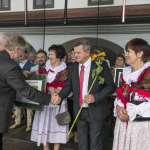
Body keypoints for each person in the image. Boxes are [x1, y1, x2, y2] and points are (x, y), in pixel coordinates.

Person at [51, 39, 116, 150]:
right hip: (79, 111)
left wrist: (95, 97)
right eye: (74, 53)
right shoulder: (72, 67)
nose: (75, 55)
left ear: (87, 53)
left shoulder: (101, 65)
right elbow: (68, 86)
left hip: (96, 110)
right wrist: (60, 97)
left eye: (78, 52)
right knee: (82, 143)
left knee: (95, 144)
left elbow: (111, 87)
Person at [0, 35, 54, 150]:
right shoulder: (11, 66)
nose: (21, 56)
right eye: (23, 52)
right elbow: (26, 91)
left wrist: (21, 72)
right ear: (17, 49)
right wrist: (49, 98)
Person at [113, 38, 150, 150]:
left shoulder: (148, 73)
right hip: (123, 124)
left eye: (128, 51)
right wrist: (119, 107)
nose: (126, 55)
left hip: (140, 125)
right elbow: (120, 95)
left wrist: (132, 111)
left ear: (140, 53)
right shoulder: (125, 73)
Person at [30, 44, 69, 150]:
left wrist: (57, 90)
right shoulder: (45, 68)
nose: (50, 56)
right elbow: (40, 79)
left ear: (59, 56)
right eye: (50, 54)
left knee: (56, 125)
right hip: (45, 101)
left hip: (57, 103)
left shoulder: (65, 70)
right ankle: (45, 148)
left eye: (52, 54)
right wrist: (35, 74)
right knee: (44, 127)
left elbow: (69, 88)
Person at [9, 49, 35, 132]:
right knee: (17, 105)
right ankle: (17, 121)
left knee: (29, 106)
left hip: (27, 87)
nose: (20, 54)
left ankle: (29, 124)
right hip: (17, 88)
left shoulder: (32, 65)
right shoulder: (16, 64)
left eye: (22, 53)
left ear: (26, 54)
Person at [105, 54, 125, 139]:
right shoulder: (111, 70)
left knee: (121, 113)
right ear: (115, 61)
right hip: (112, 95)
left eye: (121, 60)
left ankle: (121, 132)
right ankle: (113, 131)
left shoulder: (127, 70)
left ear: (124, 61)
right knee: (112, 114)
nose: (119, 61)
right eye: (118, 60)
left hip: (123, 96)